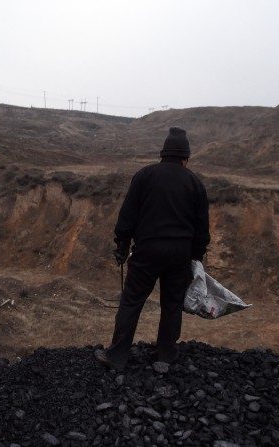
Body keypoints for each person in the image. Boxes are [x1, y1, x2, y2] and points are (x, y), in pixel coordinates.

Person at [95, 127, 210, 370]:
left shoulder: (144, 176)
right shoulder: (194, 183)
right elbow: (202, 229)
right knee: (172, 304)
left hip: (147, 251)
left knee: (131, 302)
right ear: (185, 157)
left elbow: (128, 216)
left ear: (163, 153)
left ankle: (116, 356)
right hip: (180, 254)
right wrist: (196, 257)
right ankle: (166, 354)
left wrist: (122, 245)